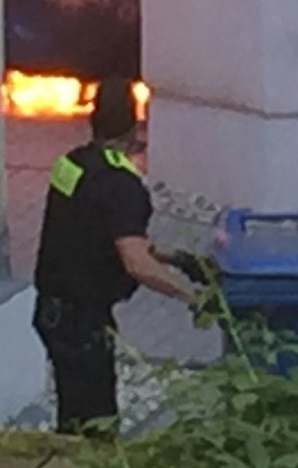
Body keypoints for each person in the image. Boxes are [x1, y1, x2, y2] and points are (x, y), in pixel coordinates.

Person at [32, 77, 200, 435]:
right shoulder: (123, 186)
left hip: (51, 311)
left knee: (72, 413)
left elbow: (95, 229)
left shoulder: (71, 164)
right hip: (83, 321)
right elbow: (135, 262)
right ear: (134, 126)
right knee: (96, 427)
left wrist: (176, 258)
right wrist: (192, 298)